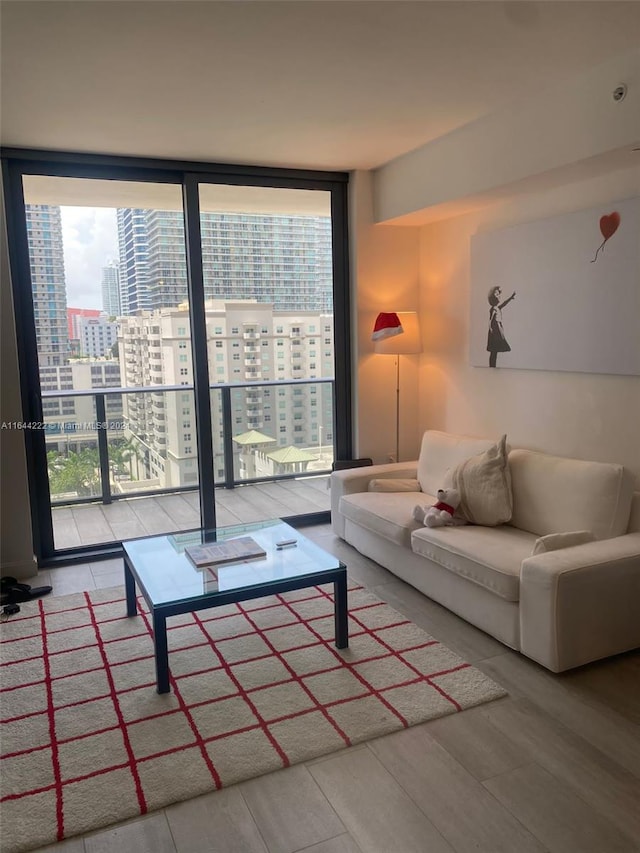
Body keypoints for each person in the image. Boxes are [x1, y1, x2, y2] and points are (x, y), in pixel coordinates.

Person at [486, 286, 516, 368]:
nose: (498, 295)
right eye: (496, 294)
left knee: (495, 351)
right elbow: (490, 320)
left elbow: (504, 304)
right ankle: (492, 367)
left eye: (498, 293)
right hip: (494, 331)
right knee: (494, 351)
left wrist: (510, 298)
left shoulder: (497, 307)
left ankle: (493, 367)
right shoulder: (493, 309)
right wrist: (491, 328)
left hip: (497, 330)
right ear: (492, 297)